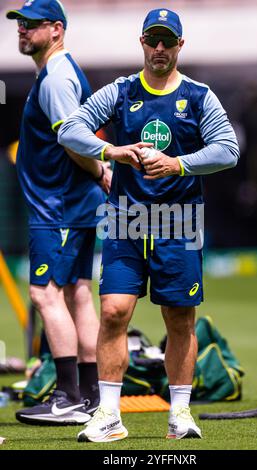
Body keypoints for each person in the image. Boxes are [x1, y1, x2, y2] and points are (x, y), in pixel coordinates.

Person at [59, 8, 239, 441]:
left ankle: (179, 415)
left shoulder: (198, 96)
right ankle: (109, 415)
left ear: (180, 44)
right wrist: (113, 152)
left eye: (167, 41)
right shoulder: (120, 92)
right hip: (124, 219)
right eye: (152, 40)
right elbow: (69, 130)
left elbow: (228, 149)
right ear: (142, 43)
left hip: (179, 222)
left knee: (179, 318)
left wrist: (177, 163)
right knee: (113, 311)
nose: (159, 48)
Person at [6, 0, 111, 425]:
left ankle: (68, 398)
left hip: (59, 206)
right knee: (77, 292)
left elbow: (75, 141)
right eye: (19, 24)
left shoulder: (56, 77)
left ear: (56, 29)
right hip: (71, 203)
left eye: (31, 25)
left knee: (44, 294)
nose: (22, 30)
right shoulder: (56, 73)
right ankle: (87, 395)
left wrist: (101, 167)